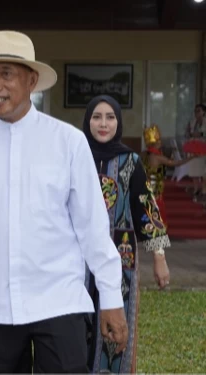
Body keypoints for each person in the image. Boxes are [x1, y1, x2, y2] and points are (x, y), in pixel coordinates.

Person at [0, 30, 128, 373]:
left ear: (31, 80)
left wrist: (110, 297)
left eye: (6, 74)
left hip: (59, 301)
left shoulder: (68, 142)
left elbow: (93, 227)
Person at [83, 95, 171, 373]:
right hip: (75, 262)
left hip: (120, 262)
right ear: (87, 121)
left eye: (110, 117)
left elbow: (146, 208)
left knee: (114, 327)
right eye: (97, 117)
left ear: (118, 122)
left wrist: (159, 257)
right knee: (74, 330)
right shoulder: (76, 156)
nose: (103, 123)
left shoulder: (131, 162)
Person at [142, 124, 193, 223]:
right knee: (156, 207)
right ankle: (156, 231)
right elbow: (176, 163)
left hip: (145, 184)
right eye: (159, 141)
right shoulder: (157, 156)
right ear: (155, 143)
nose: (161, 142)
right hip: (155, 186)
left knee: (147, 207)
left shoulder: (143, 153)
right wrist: (191, 158)